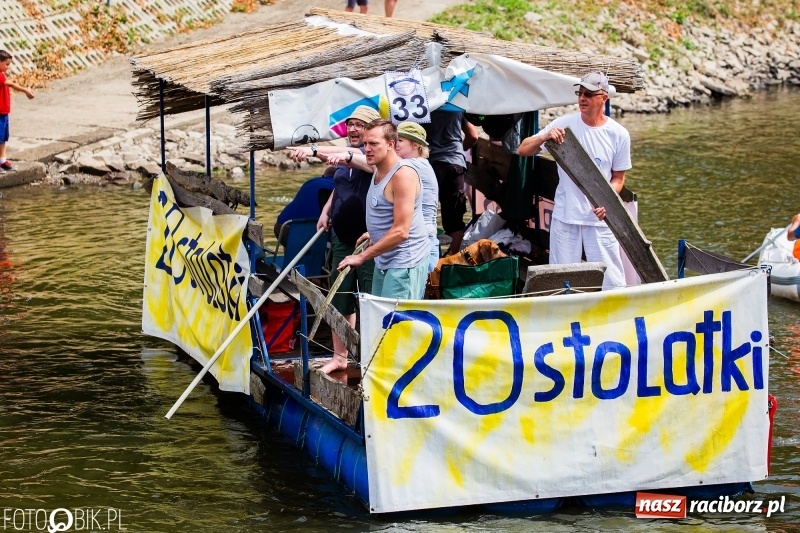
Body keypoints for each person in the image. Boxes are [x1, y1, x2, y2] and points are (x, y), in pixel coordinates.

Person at [516, 71, 630, 290]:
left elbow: (618, 178)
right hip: (565, 216)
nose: (582, 98)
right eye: (580, 93)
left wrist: (607, 200)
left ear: (603, 98)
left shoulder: (618, 134)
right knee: (561, 283)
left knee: (612, 282)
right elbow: (523, 149)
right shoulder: (564, 124)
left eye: (589, 94)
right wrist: (544, 137)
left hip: (598, 220)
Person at [289, 105, 380, 375]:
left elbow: (355, 159)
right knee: (339, 298)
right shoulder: (344, 160)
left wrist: (314, 151)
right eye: (350, 124)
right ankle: (340, 357)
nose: (353, 129)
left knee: (368, 299)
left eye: (359, 125)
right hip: (341, 236)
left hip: (368, 242)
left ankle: (370, 358)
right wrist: (327, 210)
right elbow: (340, 185)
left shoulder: (373, 158)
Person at [328, 121, 439, 274]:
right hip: (402, 250)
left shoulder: (411, 166)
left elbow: (369, 162)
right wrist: (375, 233)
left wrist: (346, 155)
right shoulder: (400, 166)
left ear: (416, 146)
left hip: (417, 248)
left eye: (400, 140)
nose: (395, 145)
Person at [422, 110, 479, 255]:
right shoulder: (456, 107)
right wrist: (459, 151)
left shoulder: (421, 107)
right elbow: (473, 135)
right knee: (454, 219)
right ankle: (452, 262)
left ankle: (428, 261)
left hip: (429, 165)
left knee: (425, 215)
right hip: (455, 164)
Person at [273, 166, 335, 241]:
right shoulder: (337, 187)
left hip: (281, 226)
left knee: (291, 244)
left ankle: (289, 252)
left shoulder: (310, 181)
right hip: (306, 230)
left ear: (322, 176)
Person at [0, 50, 35, 174]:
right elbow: (11, 84)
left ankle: (2, 160)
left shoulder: (2, 74)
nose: (8, 67)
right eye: (6, 64)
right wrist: (25, 90)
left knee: (3, 138)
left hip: (3, 111)